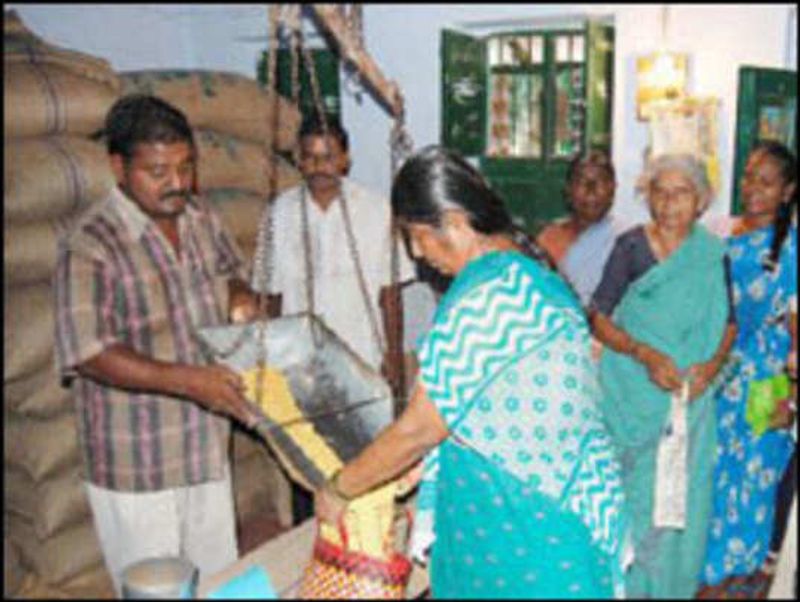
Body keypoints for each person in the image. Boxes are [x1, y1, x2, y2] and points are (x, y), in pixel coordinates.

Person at [314, 145, 632, 598]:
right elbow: (501, 406)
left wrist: (339, 489)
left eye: (418, 237)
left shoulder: (484, 300)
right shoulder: (527, 274)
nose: (419, 254)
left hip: (527, 523)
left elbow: (419, 429)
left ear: (457, 223)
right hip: (555, 509)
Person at [53, 95, 261, 595]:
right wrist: (191, 381)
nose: (177, 184)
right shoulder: (90, 243)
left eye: (186, 167)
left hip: (205, 447)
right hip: (138, 461)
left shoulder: (199, 216)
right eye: (158, 171)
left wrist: (240, 301)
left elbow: (233, 273)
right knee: (155, 589)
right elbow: (89, 351)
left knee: (216, 579)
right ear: (118, 167)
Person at [249, 113, 417, 521]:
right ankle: (312, 545)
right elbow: (269, 295)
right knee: (307, 463)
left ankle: (364, 546)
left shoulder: (375, 209)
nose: (320, 167)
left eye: (329, 157)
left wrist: (393, 356)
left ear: (345, 159)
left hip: (361, 356)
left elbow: (389, 293)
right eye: (310, 157)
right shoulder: (280, 214)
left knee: (365, 460)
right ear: (297, 160)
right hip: (299, 366)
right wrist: (265, 361)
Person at [590, 153, 737, 599]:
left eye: (682, 192)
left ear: (701, 202)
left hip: (688, 404)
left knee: (679, 508)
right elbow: (597, 316)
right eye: (660, 191)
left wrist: (710, 369)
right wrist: (643, 352)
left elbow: (729, 323)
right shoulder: (631, 247)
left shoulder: (711, 255)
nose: (670, 202)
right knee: (633, 505)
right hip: (631, 400)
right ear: (647, 197)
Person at [702, 140, 797, 598]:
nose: (753, 188)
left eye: (766, 181)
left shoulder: (792, 249)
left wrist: (787, 397)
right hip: (721, 374)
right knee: (718, 468)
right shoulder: (722, 231)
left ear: (787, 191)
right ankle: (713, 567)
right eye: (748, 178)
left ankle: (742, 575)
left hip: (768, 379)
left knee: (757, 473)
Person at [536, 149, 626, 306]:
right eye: (581, 182)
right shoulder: (548, 239)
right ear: (568, 190)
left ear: (613, 189)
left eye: (600, 182)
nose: (591, 190)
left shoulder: (627, 240)